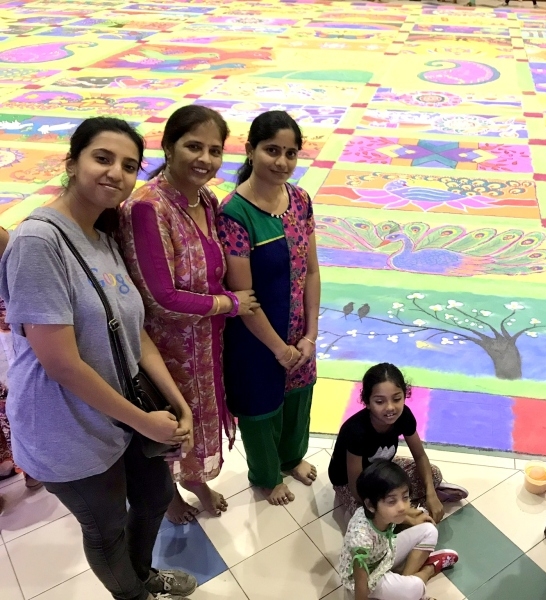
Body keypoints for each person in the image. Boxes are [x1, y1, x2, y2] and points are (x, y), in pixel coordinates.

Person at [0, 117, 197, 600]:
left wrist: (176, 401)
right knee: (106, 528)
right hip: (65, 426)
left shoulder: (103, 237)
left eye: (129, 166)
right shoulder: (39, 242)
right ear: (72, 163)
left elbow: (134, 333)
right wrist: (144, 422)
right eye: (103, 158)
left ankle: (142, 575)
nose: (116, 173)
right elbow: (61, 364)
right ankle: (133, 594)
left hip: (118, 414)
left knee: (154, 497)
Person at [118, 105, 260, 524]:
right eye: (193, 146)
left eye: (215, 151)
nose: (205, 159)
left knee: (199, 420)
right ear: (168, 146)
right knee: (173, 424)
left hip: (206, 344)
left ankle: (194, 481)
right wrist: (230, 304)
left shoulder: (207, 200)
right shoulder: (148, 208)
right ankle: (168, 495)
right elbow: (161, 297)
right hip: (165, 349)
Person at [217, 110, 320, 506]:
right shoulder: (235, 213)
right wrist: (279, 348)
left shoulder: (300, 200)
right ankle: (266, 475)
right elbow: (243, 295)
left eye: (290, 153)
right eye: (271, 150)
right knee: (261, 408)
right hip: (257, 337)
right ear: (250, 150)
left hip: (299, 331)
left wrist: (310, 335)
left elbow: (312, 271)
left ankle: (291, 457)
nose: (282, 162)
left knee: (298, 398)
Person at [329, 363, 468, 524]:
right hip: (350, 484)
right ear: (367, 402)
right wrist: (406, 516)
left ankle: (427, 496)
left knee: (433, 474)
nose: (390, 408)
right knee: (370, 520)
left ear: (404, 395)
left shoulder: (404, 417)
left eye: (396, 399)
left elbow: (420, 456)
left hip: (382, 470)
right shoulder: (355, 431)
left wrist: (431, 493)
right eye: (379, 401)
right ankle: (411, 505)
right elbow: (356, 488)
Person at [339, 460, 459, 600]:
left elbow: (401, 514)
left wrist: (414, 519)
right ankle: (429, 570)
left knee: (429, 530)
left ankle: (404, 582)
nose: (402, 507)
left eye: (405, 497)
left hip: (383, 555)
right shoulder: (361, 540)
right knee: (416, 588)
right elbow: (360, 586)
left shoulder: (380, 514)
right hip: (370, 578)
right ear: (370, 504)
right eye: (392, 501)